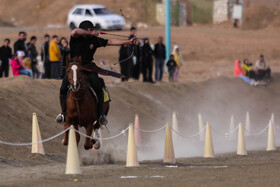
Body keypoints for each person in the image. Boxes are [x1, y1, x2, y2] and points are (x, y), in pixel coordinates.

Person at [56, 20, 136, 125]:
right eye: (91, 29)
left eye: (93, 29)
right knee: (63, 88)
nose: (93, 31)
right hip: (75, 68)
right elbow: (75, 31)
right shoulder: (76, 37)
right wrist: (90, 33)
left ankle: (101, 115)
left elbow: (111, 42)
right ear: (84, 30)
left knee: (98, 87)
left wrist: (127, 42)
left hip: (89, 68)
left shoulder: (94, 40)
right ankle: (63, 113)